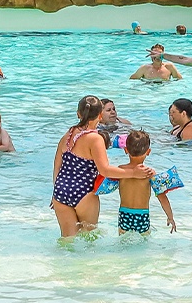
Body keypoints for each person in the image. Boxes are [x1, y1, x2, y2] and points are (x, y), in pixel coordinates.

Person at [51, 95, 154, 237]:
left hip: (60, 192)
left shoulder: (68, 134)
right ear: (100, 115)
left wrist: (56, 190)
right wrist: (133, 173)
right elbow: (105, 170)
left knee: (67, 239)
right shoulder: (95, 139)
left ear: (78, 114)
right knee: (89, 239)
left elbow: (57, 164)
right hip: (84, 193)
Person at [114, 130, 177, 234]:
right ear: (148, 152)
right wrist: (170, 217)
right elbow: (162, 197)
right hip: (142, 215)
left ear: (126, 150)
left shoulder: (121, 170)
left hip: (124, 214)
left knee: (123, 242)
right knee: (144, 240)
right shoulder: (150, 173)